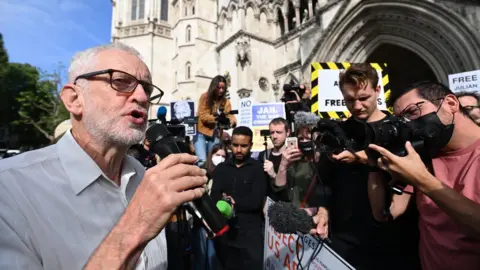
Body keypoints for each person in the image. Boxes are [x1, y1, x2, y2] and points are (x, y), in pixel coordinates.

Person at [0, 43, 208, 269]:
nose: (141, 97)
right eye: (120, 81)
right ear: (74, 100)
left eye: (147, 89)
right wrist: (137, 225)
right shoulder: (9, 189)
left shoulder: (145, 178)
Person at [311, 63, 420, 270]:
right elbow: (325, 180)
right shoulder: (337, 131)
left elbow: (412, 177)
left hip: (394, 238)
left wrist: (364, 159)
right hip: (346, 237)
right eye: (350, 100)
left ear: (377, 90)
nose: (357, 106)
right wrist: (323, 212)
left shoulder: (399, 130)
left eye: (363, 98)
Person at [367, 81, 480, 270]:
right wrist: (373, 166)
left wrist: (423, 180)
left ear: (451, 104)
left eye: (412, 112)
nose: (409, 125)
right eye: (401, 120)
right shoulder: (423, 157)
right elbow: (385, 214)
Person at [210, 126, 269, 270]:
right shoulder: (221, 169)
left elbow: (255, 201)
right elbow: (214, 196)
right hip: (226, 234)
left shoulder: (257, 169)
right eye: (235, 145)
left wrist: (232, 202)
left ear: (251, 145)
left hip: (251, 234)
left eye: (243, 146)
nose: (239, 150)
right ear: (230, 144)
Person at [195, 75, 237, 167]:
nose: (221, 90)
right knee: (202, 161)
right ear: (214, 87)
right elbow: (203, 116)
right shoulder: (205, 97)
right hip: (201, 132)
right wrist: (218, 119)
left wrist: (232, 121)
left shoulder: (226, 102)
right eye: (218, 87)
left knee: (214, 161)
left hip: (216, 134)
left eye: (223, 88)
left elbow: (230, 115)